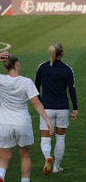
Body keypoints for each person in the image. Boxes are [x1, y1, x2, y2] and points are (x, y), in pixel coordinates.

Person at [0, 52, 53, 182]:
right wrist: (47, 119)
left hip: (4, 124)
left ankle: (1, 175)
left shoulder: (1, 80)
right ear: (17, 64)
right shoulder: (26, 82)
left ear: (6, 67)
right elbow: (35, 103)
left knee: (4, 157)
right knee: (24, 155)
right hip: (22, 123)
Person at [35, 43, 78, 175]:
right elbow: (72, 90)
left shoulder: (42, 67)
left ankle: (47, 156)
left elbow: (35, 87)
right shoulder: (67, 69)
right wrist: (75, 108)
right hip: (62, 108)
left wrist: (40, 102)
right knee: (60, 138)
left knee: (45, 138)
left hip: (46, 108)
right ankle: (56, 166)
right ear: (62, 53)